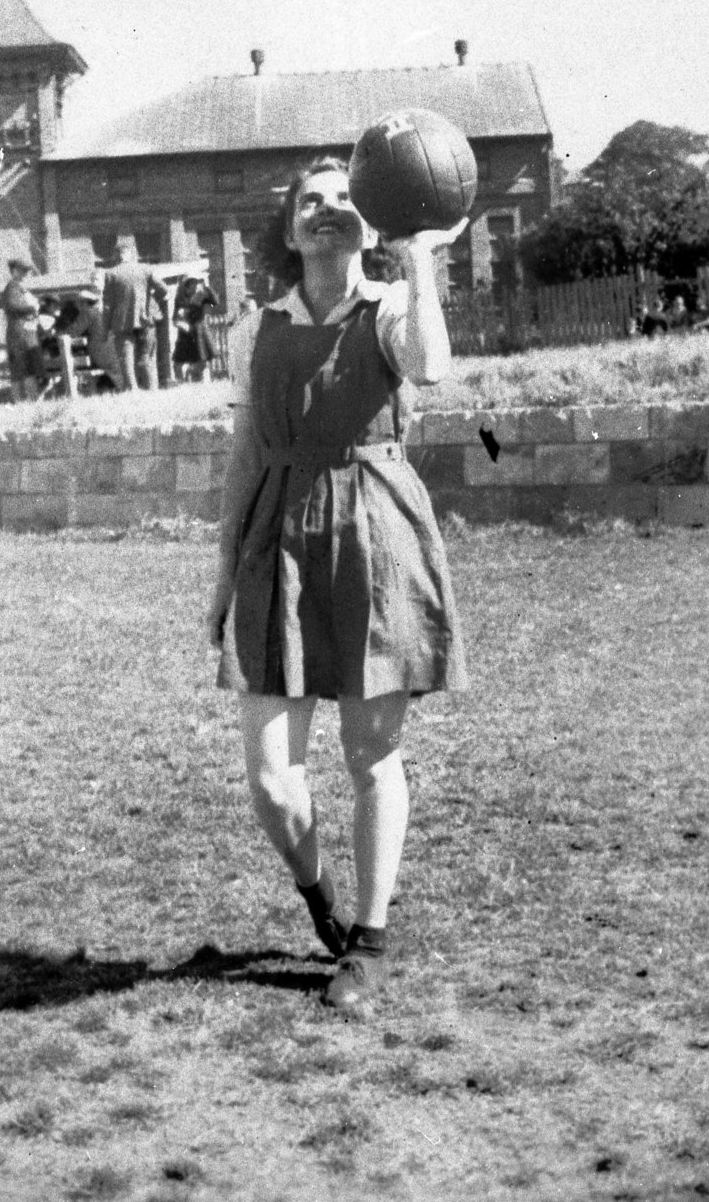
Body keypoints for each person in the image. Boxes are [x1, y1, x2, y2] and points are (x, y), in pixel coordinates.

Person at [207, 156, 469, 1014]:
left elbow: (429, 368)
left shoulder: (391, 306)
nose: (325, 211)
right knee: (272, 779)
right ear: (287, 230)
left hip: (374, 529)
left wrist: (419, 254)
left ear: (368, 222)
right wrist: (221, 577)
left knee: (369, 754)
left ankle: (370, 936)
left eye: (342, 200)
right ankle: (319, 893)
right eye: (307, 202)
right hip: (276, 536)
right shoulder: (256, 328)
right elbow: (246, 455)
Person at [101, 241, 168, 391]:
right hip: (146, 319)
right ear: (130, 254)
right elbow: (164, 289)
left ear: (115, 255)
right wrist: (151, 300)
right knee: (147, 358)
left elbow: (107, 306)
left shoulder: (110, 274)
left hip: (122, 322)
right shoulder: (145, 269)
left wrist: (105, 329)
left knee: (126, 358)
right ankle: (153, 389)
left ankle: (132, 390)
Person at [1, 257, 44, 400]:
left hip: (25, 332)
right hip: (18, 332)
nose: (26, 274)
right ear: (14, 271)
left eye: (27, 271)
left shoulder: (21, 288)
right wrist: (32, 308)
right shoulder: (12, 287)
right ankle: (21, 400)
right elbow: (13, 306)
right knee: (21, 366)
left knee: (27, 366)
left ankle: (30, 399)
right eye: (22, 271)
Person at [172, 275, 221, 382]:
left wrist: (208, 286)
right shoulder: (180, 299)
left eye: (197, 283)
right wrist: (181, 323)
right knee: (181, 361)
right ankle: (185, 378)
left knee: (203, 361)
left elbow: (215, 301)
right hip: (185, 334)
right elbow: (174, 319)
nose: (195, 286)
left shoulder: (202, 296)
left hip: (200, 332)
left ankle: (198, 377)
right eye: (192, 283)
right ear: (187, 286)